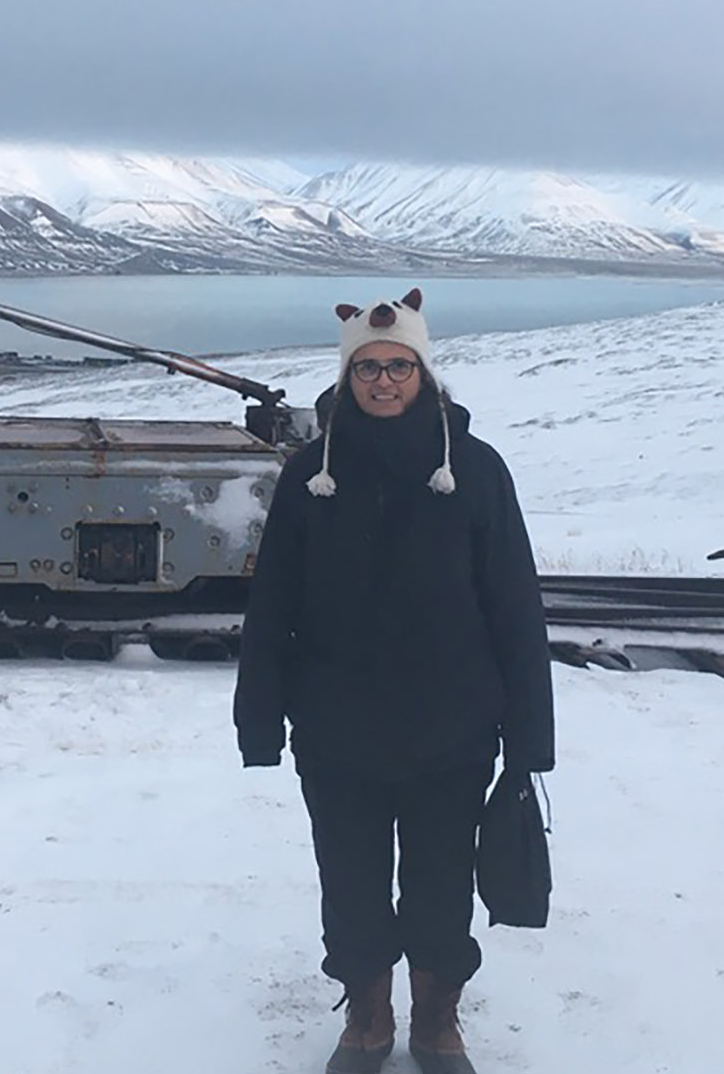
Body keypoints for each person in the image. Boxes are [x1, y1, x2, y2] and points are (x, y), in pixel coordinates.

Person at [234, 288, 555, 1074]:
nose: (383, 380)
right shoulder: (312, 474)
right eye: (369, 367)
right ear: (349, 377)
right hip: (337, 729)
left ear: (424, 372)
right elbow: (272, 600)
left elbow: (515, 602)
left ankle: (437, 1023)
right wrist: (259, 718)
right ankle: (368, 1021)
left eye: (398, 366)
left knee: (442, 885)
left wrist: (530, 732)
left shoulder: (476, 471)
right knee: (350, 883)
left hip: (453, 729)